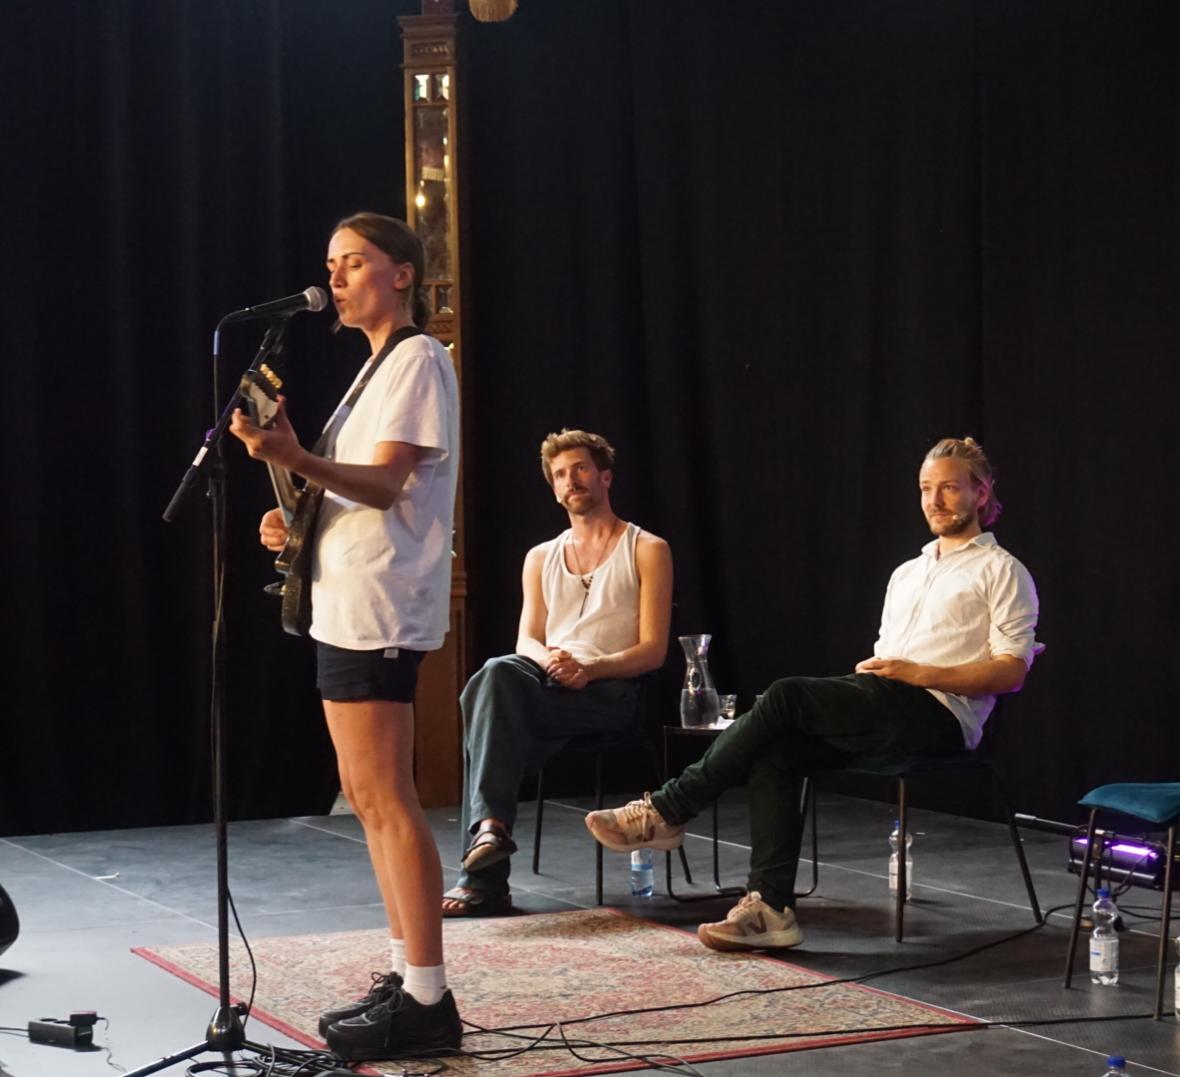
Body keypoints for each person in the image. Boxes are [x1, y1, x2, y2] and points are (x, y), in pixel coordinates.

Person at [585, 436, 1041, 952]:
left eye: (950, 488)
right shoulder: (907, 573)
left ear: (982, 494)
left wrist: (915, 672)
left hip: (941, 717)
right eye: (925, 489)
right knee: (777, 751)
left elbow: (1011, 672)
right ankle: (771, 909)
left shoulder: (1004, 571)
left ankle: (668, 810)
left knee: (784, 697)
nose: (934, 501)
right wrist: (886, 674)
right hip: (886, 700)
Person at [228, 212, 461, 1059]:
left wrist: (297, 459)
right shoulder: (371, 372)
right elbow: (334, 495)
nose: (336, 278)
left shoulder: (417, 359)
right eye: (331, 265)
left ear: (401, 273)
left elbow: (386, 482)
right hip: (346, 599)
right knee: (365, 796)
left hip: (381, 605)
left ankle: (429, 997)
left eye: (354, 262)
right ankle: (407, 974)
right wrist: (279, 473)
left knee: (387, 797)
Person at [442, 429, 673, 917]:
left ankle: (484, 870)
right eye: (561, 474)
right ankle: (490, 834)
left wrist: (588, 668)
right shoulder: (540, 557)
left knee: (487, 700)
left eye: (582, 469)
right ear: (553, 488)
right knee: (496, 676)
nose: (572, 480)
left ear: (605, 476)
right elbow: (528, 637)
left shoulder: (647, 548)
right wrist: (549, 660)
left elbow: (653, 651)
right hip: (544, 682)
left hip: (611, 690)